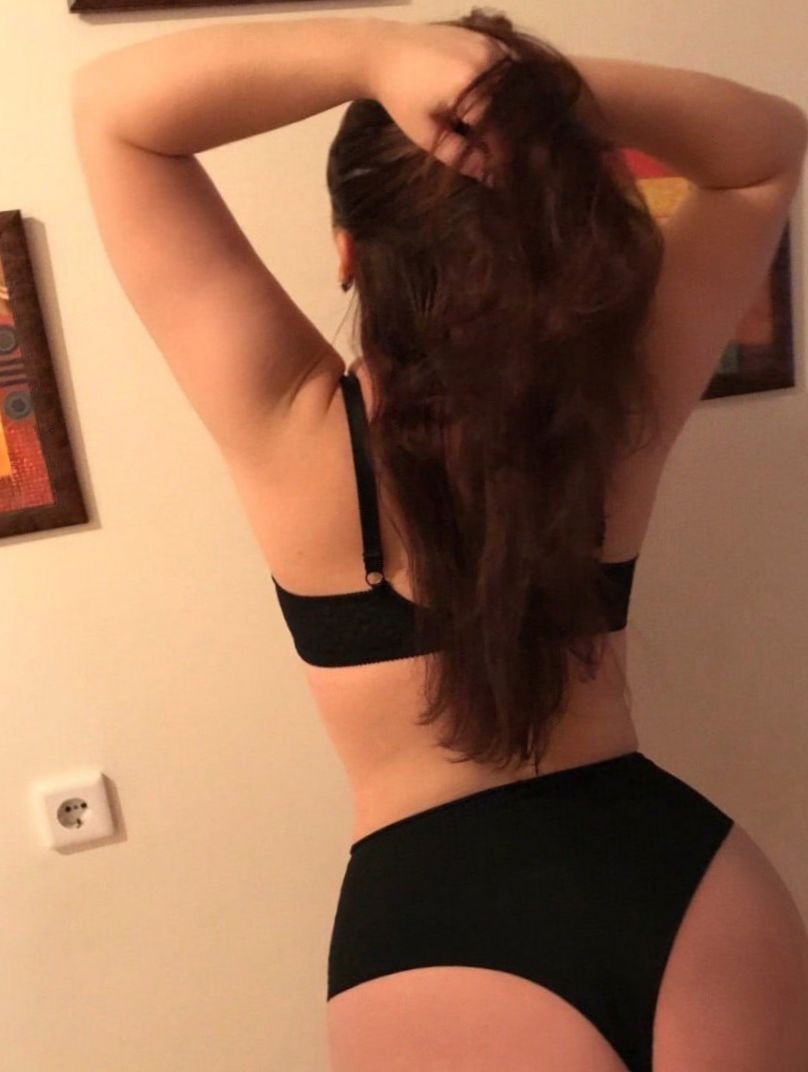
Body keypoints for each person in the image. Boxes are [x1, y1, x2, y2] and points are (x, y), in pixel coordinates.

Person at [72, 9, 808, 1070]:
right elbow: (767, 149)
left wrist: (374, 55)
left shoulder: (292, 426)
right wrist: (525, 95)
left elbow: (114, 113)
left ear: (348, 252)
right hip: (692, 890)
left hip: (439, 936)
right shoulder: (614, 411)